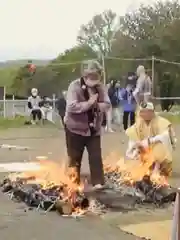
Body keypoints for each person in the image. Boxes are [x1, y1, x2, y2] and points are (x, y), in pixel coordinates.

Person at [64, 60, 110, 189]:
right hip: (75, 128)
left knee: (96, 156)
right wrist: (89, 104)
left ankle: (98, 183)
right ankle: (73, 184)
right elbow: (72, 106)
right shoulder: (74, 86)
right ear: (85, 76)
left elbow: (107, 104)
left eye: (97, 76)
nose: (94, 79)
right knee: (74, 158)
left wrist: (96, 105)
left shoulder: (100, 87)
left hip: (94, 129)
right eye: (91, 76)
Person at [125, 102, 177, 177]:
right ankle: (146, 166)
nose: (144, 114)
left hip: (162, 155)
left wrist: (148, 141)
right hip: (146, 153)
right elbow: (132, 139)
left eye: (147, 111)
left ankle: (157, 167)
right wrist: (132, 151)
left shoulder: (161, 122)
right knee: (136, 150)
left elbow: (165, 137)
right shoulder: (138, 124)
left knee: (159, 144)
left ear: (152, 112)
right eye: (142, 111)